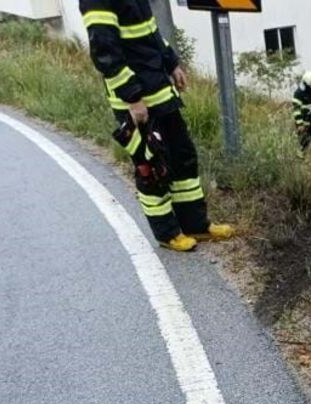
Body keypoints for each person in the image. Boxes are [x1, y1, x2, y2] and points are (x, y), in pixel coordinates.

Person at [79, 0, 234, 252]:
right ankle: (167, 233)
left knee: (183, 157)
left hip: (160, 91)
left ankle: (195, 224)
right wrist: (132, 96)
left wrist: (172, 63)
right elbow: (104, 51)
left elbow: (151, 32)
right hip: (137, 103)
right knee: (151, 169)